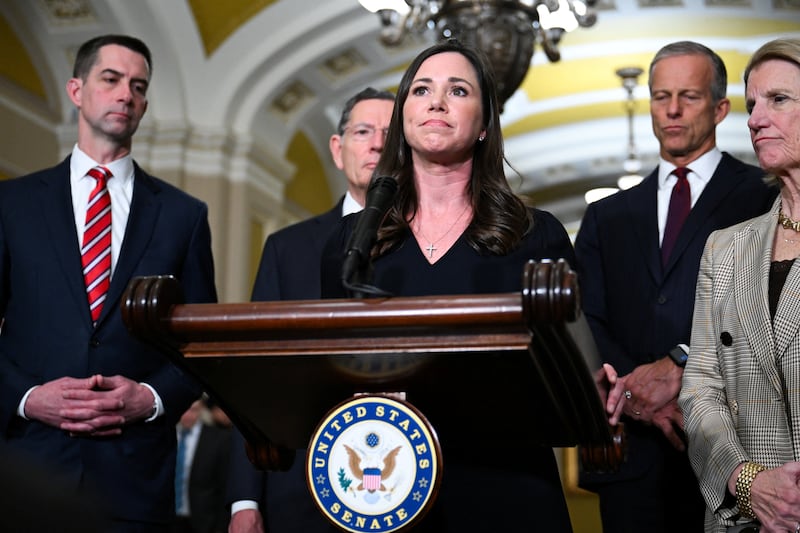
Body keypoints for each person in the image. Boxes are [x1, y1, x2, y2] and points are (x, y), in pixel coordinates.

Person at [319, 39, 625, 532]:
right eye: (421, 90)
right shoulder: (354, 241)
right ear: (404, 117)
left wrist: (597, 389)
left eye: (457, 90)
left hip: (510, 484)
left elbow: (577, 364)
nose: (436, 101)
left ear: (484, 124)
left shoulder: (535, 232)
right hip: (390, 488)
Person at [0, 34, 217, 531]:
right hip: (26, 471)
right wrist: (28, 398)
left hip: (134, 479)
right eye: (111, 80)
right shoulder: (12, 206)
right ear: (77, 90)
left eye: (139, 86)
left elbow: (202, 344)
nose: (126, 95)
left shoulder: (183, 216)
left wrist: (152, 397)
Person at [574, 40, 777, 533]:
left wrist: (682, 362)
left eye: (688, 96)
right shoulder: (606, 216)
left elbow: (768, 307)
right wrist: (638, 388)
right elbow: (582, 317)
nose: (670, 109)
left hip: (732, 448)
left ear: (720, 107)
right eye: (660, 96)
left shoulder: (765, 195)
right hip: (627, 451)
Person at [227, 87, 395, 533]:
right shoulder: (288, 248)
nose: (378, 143)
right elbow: (256, 373)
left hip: (412, 477)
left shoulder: (436, 244)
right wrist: (245, 499)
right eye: (363, 132)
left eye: (390, 133)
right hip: (299, 481)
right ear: (338, 151)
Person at [679, 37, 800, 533]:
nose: (753, 119)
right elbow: (699, 390)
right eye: (751, 104)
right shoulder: (723, 248)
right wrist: (747, 481)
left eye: (778, 100)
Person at [173, 397, 232, 533]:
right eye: (183, 410)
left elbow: (223, 486)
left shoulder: (218, 439)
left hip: (204, 522)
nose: (187, 415)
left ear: (200, 410)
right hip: (170, 520)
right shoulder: (168, 436)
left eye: (193, 410)